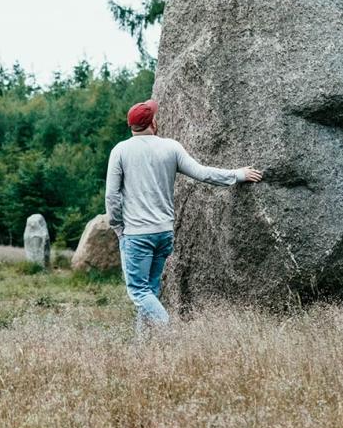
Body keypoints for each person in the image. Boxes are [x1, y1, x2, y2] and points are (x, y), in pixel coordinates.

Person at [105, 99, 262, 334]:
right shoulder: (171, 147)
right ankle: (142, 346)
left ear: (131, 126)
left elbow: (112, 196)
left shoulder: (120, 151)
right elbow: (203, 173)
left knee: (139, 292)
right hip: (164, 233)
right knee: (150, 291)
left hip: (136, 234)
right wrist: (237, 174)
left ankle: (170, 330)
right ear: (152, 122)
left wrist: (117, 226)